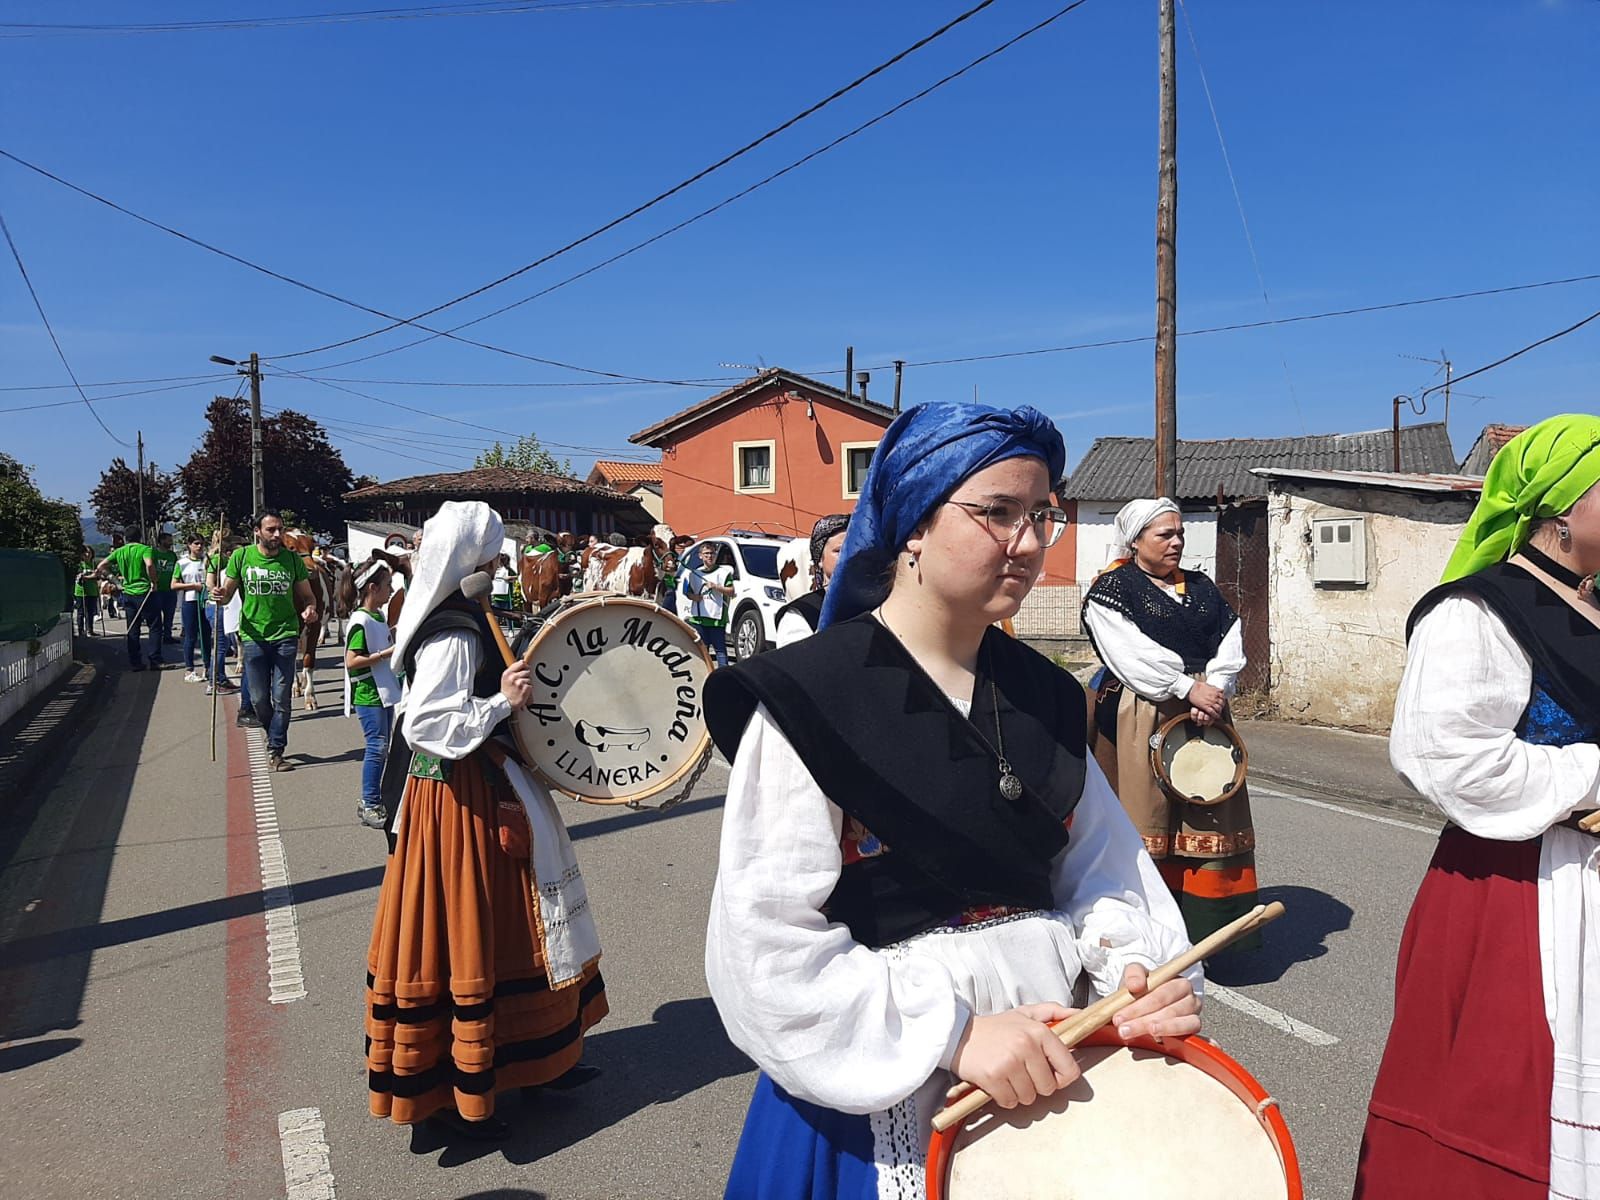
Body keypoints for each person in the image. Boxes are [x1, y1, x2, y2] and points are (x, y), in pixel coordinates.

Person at [703, 402, 1200, 1198]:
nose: (1031, 542)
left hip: (1047, 1076)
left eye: (1042, 515)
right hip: (880, 1095)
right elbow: (764, 946)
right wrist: (957, 1035)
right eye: (997, 513)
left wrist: (1132, 972)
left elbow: (1103, 875)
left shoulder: (1044, 692)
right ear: (911, 527)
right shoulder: (810, 697)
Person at [1355, 415, 1600, 1200]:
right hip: (1527, 889)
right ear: (1562, 509)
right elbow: (1447, 757)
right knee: (1516, 1102)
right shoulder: (1478, 611)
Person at [365, 500, 607, 1141]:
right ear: (471, 560)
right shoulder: (454, 632)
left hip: (479, 784)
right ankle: (462, 1087)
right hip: (459, 799)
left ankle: (538, 1058)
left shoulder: (468, 617)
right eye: (495, 556)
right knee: (469, 929)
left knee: (512, 924)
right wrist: (503, 700)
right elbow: (427, 725)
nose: (501, 566)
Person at [1081, 499, 1258, 954]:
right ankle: (1150, 937)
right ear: (1135, 541)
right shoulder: (1113, 590)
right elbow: (1129, 654)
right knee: (1148, 816)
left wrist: (1214, 688)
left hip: (1208, 709)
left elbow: (1228, 639)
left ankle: (1211, 932)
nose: (1177, 541)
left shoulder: (1201, 588)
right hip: (1148, 709)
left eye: (1179, 533)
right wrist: (1186, 687)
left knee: (1211, 809)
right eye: (1165, 535)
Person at [211, 511, 317, 772]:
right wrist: (219, 594)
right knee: (259, 699)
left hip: (285, 635)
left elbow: (308, 596)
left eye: (279, 529)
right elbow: (227, 595)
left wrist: (310, 609)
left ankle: (276, 749)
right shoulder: (242, 557)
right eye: (271, 530)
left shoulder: (292, 560)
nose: (277, 535)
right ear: (257, 531)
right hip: (253, 636)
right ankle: (273, 736)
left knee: (282, 697)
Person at [344, 562, 400, 830]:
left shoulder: (377, 617)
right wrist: (384, 655)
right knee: (376, 748)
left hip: (384, 690)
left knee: (382, 747)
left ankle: (376, 799)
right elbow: (352, 661)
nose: (391, 590)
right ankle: (369, 802)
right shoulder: (361, 620)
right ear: (372, 588)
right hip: (368, 693)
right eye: (387, 585)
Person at [774, 513, 850, 647]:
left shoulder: (876, 605)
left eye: (855, 548)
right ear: (820, 559)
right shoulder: (801, 615)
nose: (849, 555)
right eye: (839, 550)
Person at [97, 529, 162, 670]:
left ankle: (135, 661)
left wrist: (114, 580)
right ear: (140, 537)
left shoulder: (120, 552)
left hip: (128, 592)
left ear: (126, 538)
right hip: (145, 591)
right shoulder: (145, 549)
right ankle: (155, 660)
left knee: (133, 628)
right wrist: (154, 581)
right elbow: (149, 564)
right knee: (154, 626)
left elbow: (100, 566)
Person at [680, 542, 735, 668]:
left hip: (716, 619)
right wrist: (693, 597)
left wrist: (716, 587)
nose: (709, 556)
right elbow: (688, 592)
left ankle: (723, 676)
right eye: (706, 554)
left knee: (720, 651)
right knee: (702, 651)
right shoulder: (694, 573)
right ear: (700, 556)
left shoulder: (723, 573)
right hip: (698, 619)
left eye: (712, 553)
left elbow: (731, 591)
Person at [173, 536, 210, 682]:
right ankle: (189, 670)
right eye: (196, 543)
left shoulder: (208, 561)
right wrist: (193, 586)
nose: (199, 546)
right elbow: (174, 585)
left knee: (206, 635)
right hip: (190, 601)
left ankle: (208, 667)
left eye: (201, 544)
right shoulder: (182, 563)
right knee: (191, 636)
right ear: (189, 545)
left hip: (206, 600)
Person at [151, 531, 180, 649]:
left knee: (169, 614)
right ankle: (157, 636)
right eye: (168, 540)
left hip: (170, 589)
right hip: (158, 589)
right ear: (162, 541)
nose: (171, 542)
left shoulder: (172, 555)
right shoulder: (154, 553)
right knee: (156, 614)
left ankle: (167, 635)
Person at [73, 546, 99, 638]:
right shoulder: (80, 564)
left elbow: (98, 575)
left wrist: (89, 577)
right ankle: (81, 631)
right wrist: (91, 576)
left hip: (92, 591)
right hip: (81, 591)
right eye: (85, 553)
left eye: (89, 553)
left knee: (90, 612)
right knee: (81, 612)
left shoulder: (93, 564)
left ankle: (90, 630)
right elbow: (79, 577)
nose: (87, 554)